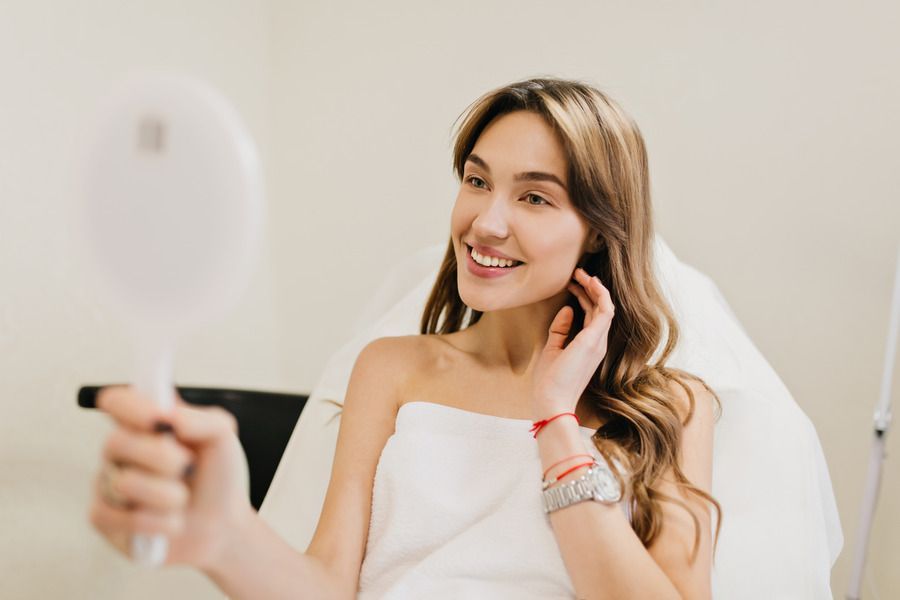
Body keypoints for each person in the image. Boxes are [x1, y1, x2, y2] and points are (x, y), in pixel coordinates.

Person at [90, 77, 723, 599]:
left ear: (599, 231)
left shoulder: (671, 407)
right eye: (477, 181)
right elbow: (325, 586)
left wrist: (556, 421)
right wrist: (226, 534)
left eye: (534, 197)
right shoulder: (392, 370)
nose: (485, 221)